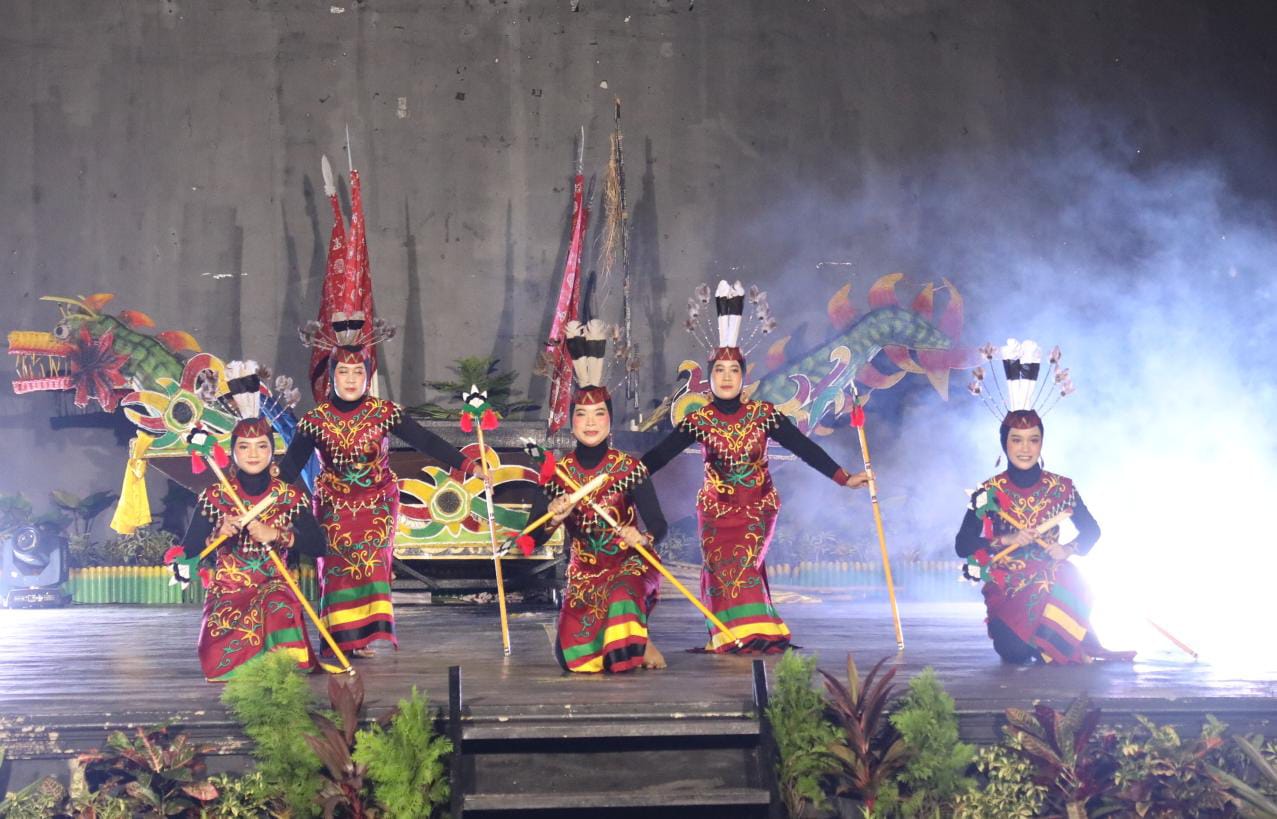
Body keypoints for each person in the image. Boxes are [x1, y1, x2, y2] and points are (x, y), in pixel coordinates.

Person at [641, 281, 867, 653]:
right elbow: (659, 456)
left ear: (743, 375)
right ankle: (729, 632)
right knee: (720, 572)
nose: (727, 377)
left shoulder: (764, 415)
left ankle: (754, 631)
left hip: (756, 509)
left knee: (743, 566)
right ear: (711, 377)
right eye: (720, 371)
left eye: (733, 370)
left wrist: (843, 477)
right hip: (715, 512)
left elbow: (803, 447)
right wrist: (618, 473)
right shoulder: (699, 421)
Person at [278, 338, 468, 658]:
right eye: (343, 372)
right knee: (336, 571)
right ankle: (338, 639)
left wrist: (466, 464)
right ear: (332, 377)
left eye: (357, 371)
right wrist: (261, 496)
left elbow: (425, 440)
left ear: (368, 376)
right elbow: (289, 468)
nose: (351, 379)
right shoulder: (315, 420)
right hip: (333, 506)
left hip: (377, 505)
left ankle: (361, 637)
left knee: (370, 570)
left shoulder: (384, 413)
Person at [956, 340, 1135, 664]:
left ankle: (1074, 640)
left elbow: (1091, 531)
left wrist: (1066, 550)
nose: (1025, 448)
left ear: (1042, 442)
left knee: (1069, 576)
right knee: (1015, 655)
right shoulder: (989, 491)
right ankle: (1055, 642)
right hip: (1007, 584)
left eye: (1033, 439)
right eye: (1017, 440)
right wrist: (1007, 539)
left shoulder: (1061, 487)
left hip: (1051, 579)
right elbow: (962, 544)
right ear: (1004, 443)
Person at [524, 320, 670, 672]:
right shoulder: (558, 473)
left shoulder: (629, 467)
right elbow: (529, 538)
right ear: (571, 421)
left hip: (629, 562)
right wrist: (553, 520)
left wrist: (643, 537)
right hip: (586, 572)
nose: (590, 423)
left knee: (621, 596)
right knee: (575, 662)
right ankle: (631, 638)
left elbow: (660, 524)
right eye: (582, 414)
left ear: (610, 420)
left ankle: (640, 638)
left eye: (599, 414)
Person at [174, 364, 327, 682]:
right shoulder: (216, 495)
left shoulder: (288, 495)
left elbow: (319, 545)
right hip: (229, 590)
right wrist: (218, 535)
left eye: (262, 446)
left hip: (274, 582)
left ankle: (280, 668)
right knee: (222, 651)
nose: (253, 454)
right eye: (244, 446)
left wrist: (279, 534)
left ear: (273, 451)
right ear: (233, 452)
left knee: (277, 603)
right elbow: (188, 553)